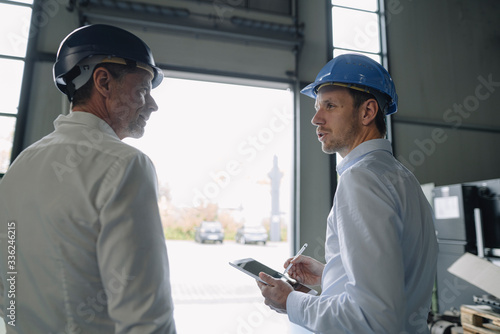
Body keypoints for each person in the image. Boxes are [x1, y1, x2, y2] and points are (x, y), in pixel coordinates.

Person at [0, 24, 176, 333]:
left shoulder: (21, 165)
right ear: (104, 81)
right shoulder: (125, 165)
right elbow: (146, 318)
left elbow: (7, 291)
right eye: (143, 90)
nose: (152, 104)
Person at [257, 54, 438, 333]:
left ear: (367, 112)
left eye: (330, 106)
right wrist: (330, 273)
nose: (316, 119)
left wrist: (290, 301)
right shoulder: (402, 178)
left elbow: (373, 318)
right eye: (318, 107)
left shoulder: (360, 179)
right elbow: (395, 280)